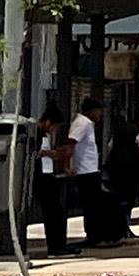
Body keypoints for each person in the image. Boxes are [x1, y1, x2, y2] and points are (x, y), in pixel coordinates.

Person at [67, 97, 117, 247]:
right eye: (98, 111)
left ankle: (100, 235)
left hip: (91, 170)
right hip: (85, 172)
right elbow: (71, 144)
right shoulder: (81, 123)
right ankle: (94, 237)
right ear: (91, 111)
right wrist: (69, 166)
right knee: (91, 206)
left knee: (96, 205)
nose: (100, 114)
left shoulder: (88, 124)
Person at [36, 103, 78, 258]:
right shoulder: (36, 135)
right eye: (55, 127)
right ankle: (55, 248)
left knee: (58, 213)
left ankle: (60, 245)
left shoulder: (44, 136)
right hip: (42, 179)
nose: (55, 131)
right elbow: (38, 154)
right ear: (48, 122)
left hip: (49, 176)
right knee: (53, 214)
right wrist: (52, 153)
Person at [104, 109, 139, 241]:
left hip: (116, 171)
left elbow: (109, 146)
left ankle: (118, 229)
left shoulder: (118, 131)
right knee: (129, 202)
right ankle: (125, 228)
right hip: (132, 172)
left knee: (118, 200)